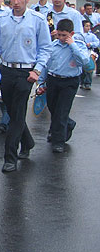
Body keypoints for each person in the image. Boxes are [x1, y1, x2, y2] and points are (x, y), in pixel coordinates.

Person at [0, 0, 52, 172]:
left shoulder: (37, 20)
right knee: (11, 109)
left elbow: (45, 48)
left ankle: (10, 156)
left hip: (26, 72)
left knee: (16, 114)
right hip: (6, 70)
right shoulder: (2, 20)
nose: (15, 2)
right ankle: (27, 141)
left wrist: (37, 70)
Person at [36, 19, 88, 153]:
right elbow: (46, 65)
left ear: (71, 34)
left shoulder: (78, 45)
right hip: (53, 79)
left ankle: (59, 141)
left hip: (69, 81)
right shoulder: (53, 46)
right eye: (59, 35)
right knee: (53, 108)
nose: (61, 38)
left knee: (62, 110)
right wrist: (41, 82)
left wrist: (72, 45)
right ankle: (68, 124)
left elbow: (84, 61)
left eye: (64, 35)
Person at [80, 19, 98, 90]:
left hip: (89, 53)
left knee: (89, 68)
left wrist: (91, 44)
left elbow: (97, 42)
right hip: (81, 53)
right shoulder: (79, 35)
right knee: (82, 69)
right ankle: (82, 82)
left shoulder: (92, 35)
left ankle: (88, 83)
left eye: (89, 26)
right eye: (86, 26)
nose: (88, 28)